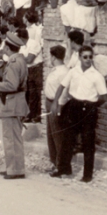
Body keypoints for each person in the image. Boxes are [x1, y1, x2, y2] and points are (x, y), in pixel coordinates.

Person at [54, 45, 107, 182]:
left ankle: (87, 175)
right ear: (79, 58)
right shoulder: (73, 72)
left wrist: (92, 106)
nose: (88, 60)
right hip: (73, 106)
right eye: (85, 57)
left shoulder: (96, 76)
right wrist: (56, 102)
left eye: (90, 57)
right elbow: (62, 86)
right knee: (67, 139)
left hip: (88, 109)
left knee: (87, 142)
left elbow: (104, 96)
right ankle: (64, 169)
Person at [0, 32, 29, 180]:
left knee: (10, 138)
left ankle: (14, 170)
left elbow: (11, 85)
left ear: (7, 47)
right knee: (15, 138)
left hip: (11, 104)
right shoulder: (20, 60)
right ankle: (15, 167)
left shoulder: (13, 63)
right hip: (17, 103)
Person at [44, 45, 69, 177]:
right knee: (51, 134)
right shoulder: (55, 70)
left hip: (56, 104)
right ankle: (54, 163)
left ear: (53, 57)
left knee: (58, 135)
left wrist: (57, 106)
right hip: (49, 102)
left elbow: (65, 93)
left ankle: (62, 166)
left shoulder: (63, 72)